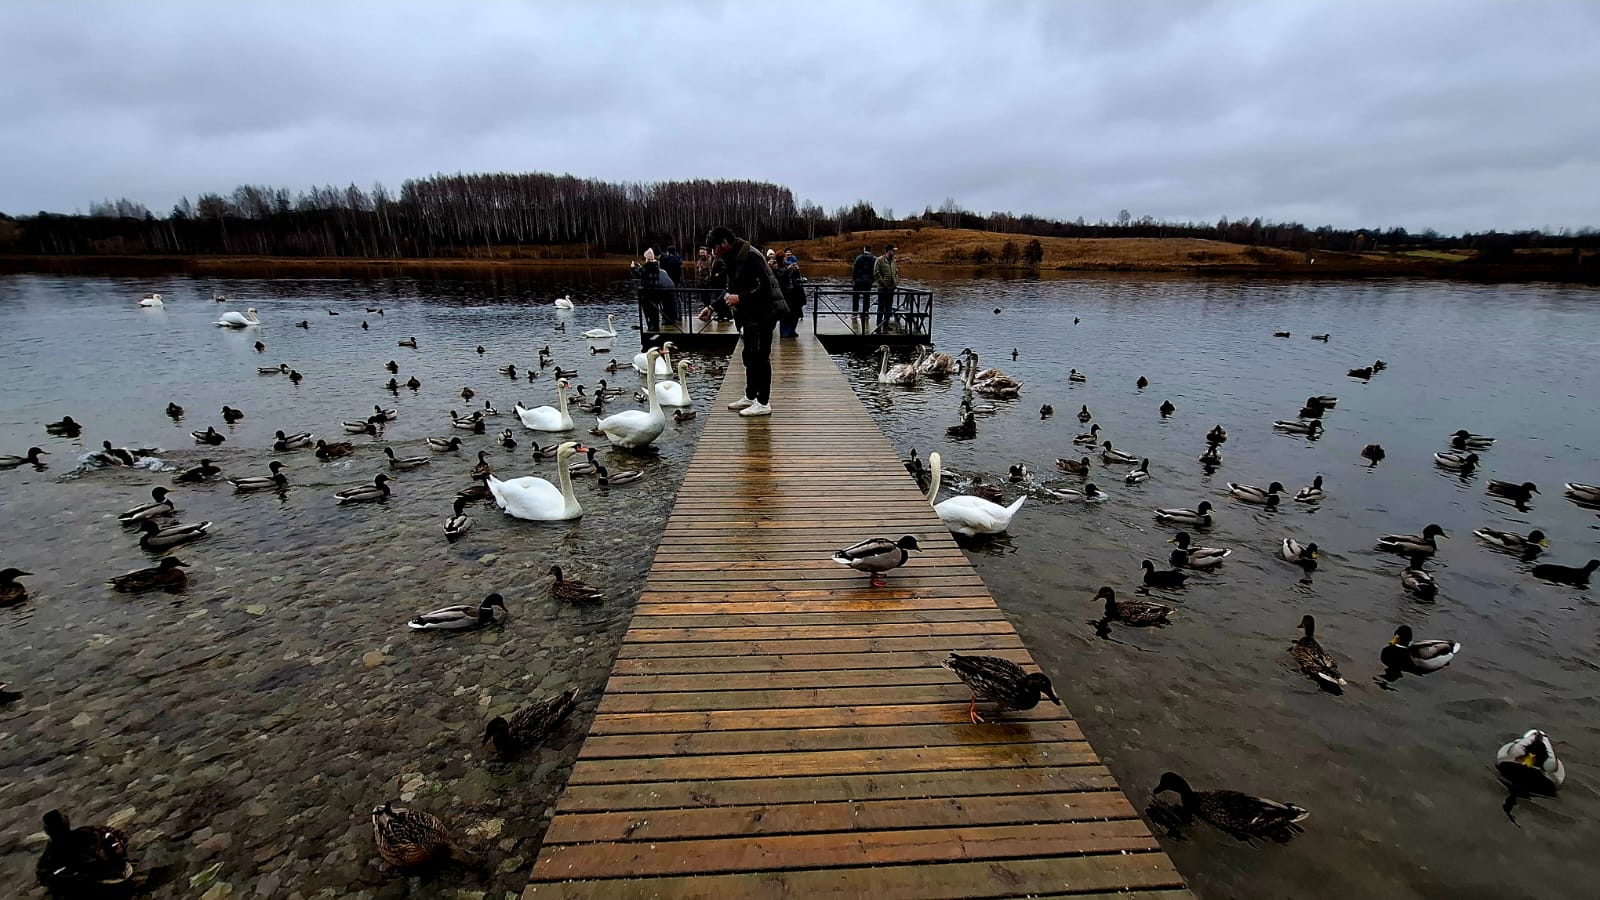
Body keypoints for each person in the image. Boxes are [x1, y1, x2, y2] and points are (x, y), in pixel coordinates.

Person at [707, 225, 786, 417]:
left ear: (724, 243)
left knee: (761, 358)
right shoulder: (733, 259)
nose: (713, 252)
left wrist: (740, 299)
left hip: (764, 315)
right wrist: (712, 308)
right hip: (748, 316)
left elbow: (765, 287)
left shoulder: (751, 256)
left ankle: (763, 402)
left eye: (714, 248)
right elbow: (731, 291)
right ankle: (750, 396)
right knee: (749, 356)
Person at [778, 254, 806, 338]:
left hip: (796, 294)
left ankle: (792, 330)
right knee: (785, 315)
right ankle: (785, 332)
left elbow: (798, 279)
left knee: (796, 314)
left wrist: (797, 271)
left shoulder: (792, 268)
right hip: (786, 294)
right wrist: (787, 270)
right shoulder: (780, 267)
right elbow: (779, 277)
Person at [873, 244, 899, 332]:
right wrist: (883, 283)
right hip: (882, 288)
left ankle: (886, 324)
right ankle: (879, 325)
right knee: (881, 306)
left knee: (889, 307)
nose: (894, 252)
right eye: (893, 251)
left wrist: (896, 281)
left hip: (891, 288)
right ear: (888, 251)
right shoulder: (880, 260)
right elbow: (876, 273)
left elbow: (896, 272)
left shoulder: (893, 261)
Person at [852, 244, 876, 327]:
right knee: (867, 297)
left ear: (864, 249)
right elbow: (875, 271)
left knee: (856, 296)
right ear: (870, 250)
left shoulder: (859, 257)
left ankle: (855, 313)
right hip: (868, 280)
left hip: (858, 280)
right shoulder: (874, 259)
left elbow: (854, 269)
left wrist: (855, 279)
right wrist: (872, 280)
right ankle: (866, 314)